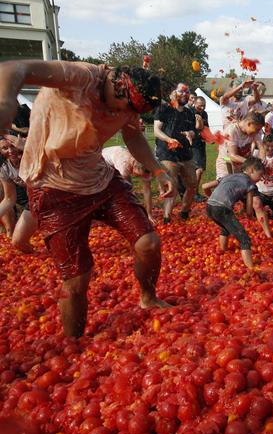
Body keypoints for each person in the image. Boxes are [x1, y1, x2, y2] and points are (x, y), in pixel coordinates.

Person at [0, 60, 175, 338]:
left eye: (132, 111)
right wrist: (6, 102)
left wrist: (157, 169)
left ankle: (148, 297)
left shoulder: (130, 103)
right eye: (123, 106)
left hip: (100, 179)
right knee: (77, 280)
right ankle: (74, 341)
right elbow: (14, 68)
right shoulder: (80, 77)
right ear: (115, 83)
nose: (122, 114)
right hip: (54, 187)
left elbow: (133, 136)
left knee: (149, 242)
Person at [206, 157, 272, 269]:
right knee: (244, 238)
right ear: (251, 171)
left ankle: (223, 250)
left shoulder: (229, 176)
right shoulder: (250, 184)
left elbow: (205, 186)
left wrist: (210, 198)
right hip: (222, 209)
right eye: (259, 176)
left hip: (209, 207)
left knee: (226, 226)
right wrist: (250, 217)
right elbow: (250, 210)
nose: (260, 179)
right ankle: (251, 269)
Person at [153, 85, 197, 223]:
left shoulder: (189, 112)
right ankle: (167, 217)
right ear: (174, 93)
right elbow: (156, 130)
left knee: (192, 184)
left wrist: (191, 133)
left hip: (185, 153)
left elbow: (193, 131)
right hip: (167, 153)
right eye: (181, 91)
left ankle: (184, 212)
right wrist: (168, 139)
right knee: (172, 184)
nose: (185, 93)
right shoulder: (164, 109)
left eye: (187, 91)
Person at [102, 145, 157, 224]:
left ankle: (139, 213)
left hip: (121, 159)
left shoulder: (146, 165)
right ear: (135, 167)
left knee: (130, 189)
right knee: (115, 190)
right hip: (103, 161)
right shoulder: (123, 165)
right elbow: (123, 192)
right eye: (142, 175)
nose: (144, 177)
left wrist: (149, 214)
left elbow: (147, 190)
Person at [0, 134, 36, 252]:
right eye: (5, 148)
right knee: (18, 242)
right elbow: (9, 199)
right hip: (36, 201)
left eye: (13, 146)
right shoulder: (5, 169)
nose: (10, 151)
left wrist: (27, 146)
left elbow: (50, 155)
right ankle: (41, 257)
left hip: (58, 197)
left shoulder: (32, 156)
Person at [191, 96, 209, 201]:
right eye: (200, 105)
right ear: (195, 103)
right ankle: (194, 193)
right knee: (199, 169)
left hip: (201, 143)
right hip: (193, 144)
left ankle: (192, 192)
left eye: (204, 105)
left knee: (199, 169)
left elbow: (205, 127)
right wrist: (200, 123)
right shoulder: (190, 112)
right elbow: (198, 127)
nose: (202, 107)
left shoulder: (204, 113)